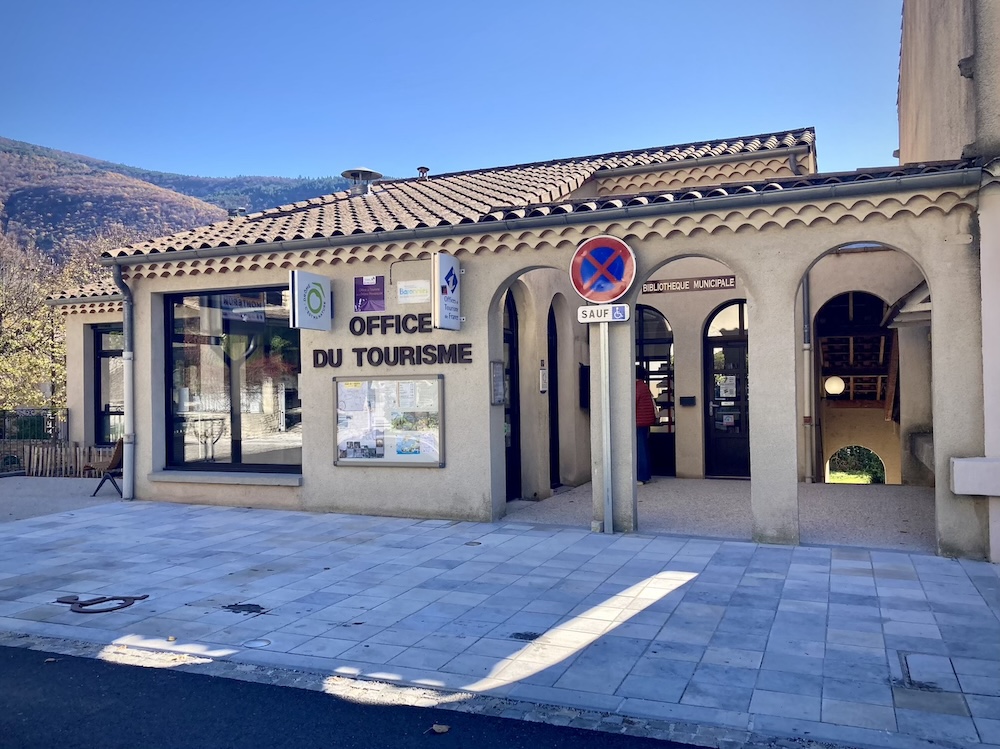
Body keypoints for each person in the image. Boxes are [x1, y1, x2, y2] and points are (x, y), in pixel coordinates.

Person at [635, 365, 657, 485]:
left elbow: (631, 403)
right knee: (643, 448)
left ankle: (641, 477)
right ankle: (645, 475)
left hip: (638, 422)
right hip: (644, 421)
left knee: (640, 450)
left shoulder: (637, 387)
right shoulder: (644, 386)